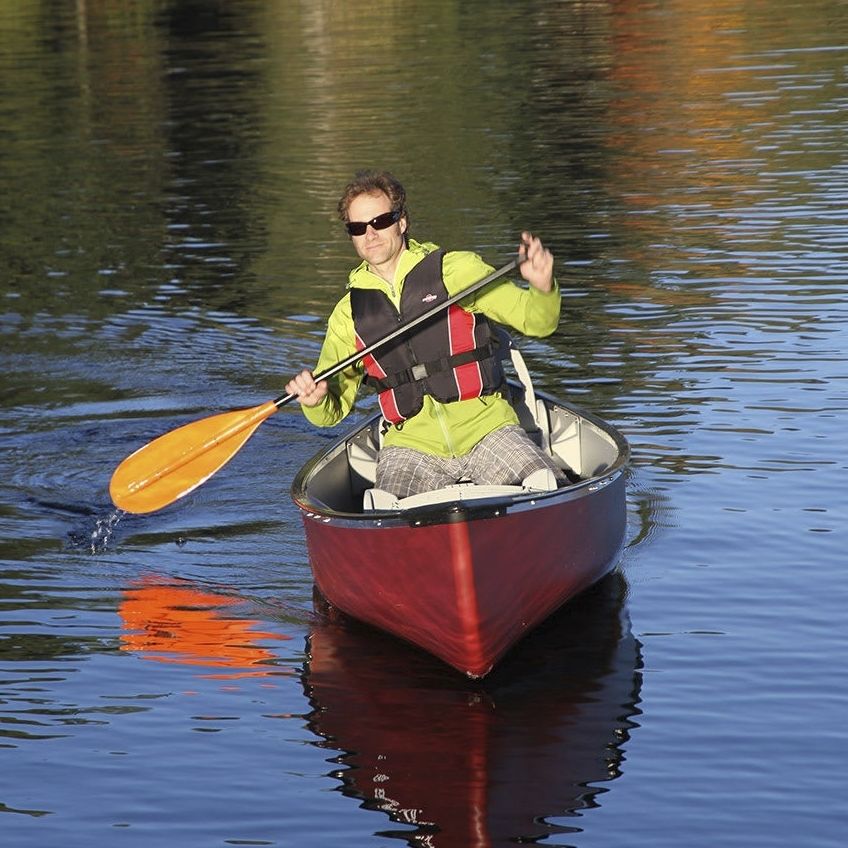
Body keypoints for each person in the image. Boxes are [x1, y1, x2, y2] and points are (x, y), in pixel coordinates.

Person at [285, 169, 566, 499]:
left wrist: (542, 287)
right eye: (358, 228)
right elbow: (331, 412)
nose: (370, 234)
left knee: (547, 487)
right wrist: (315, 400)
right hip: (410, 447)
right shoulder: (348, 314)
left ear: (401, 221)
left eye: (380, 222)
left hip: (488, 429)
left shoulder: (456, 270)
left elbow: (538, 322)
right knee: (385, 510)